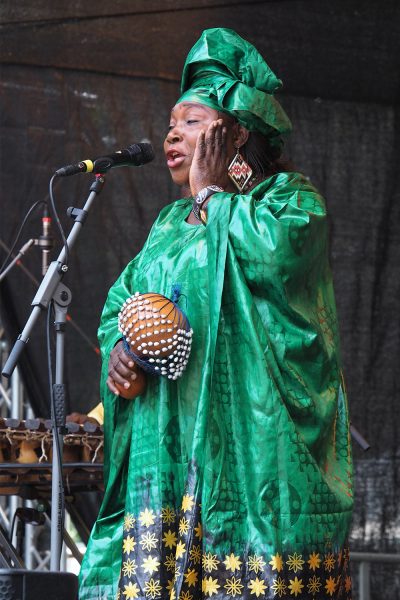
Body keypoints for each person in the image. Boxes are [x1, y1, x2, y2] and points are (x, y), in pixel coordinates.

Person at [79, 28, 353, 600]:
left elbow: (278, 254)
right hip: (173, 452)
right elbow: (119, 308)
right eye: (171, 123)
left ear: (236, 133)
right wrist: (121, 355)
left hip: (256, 457)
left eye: (192, 122)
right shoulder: (167, 229)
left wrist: (211, 193)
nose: (172, 133)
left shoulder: (289, 201)